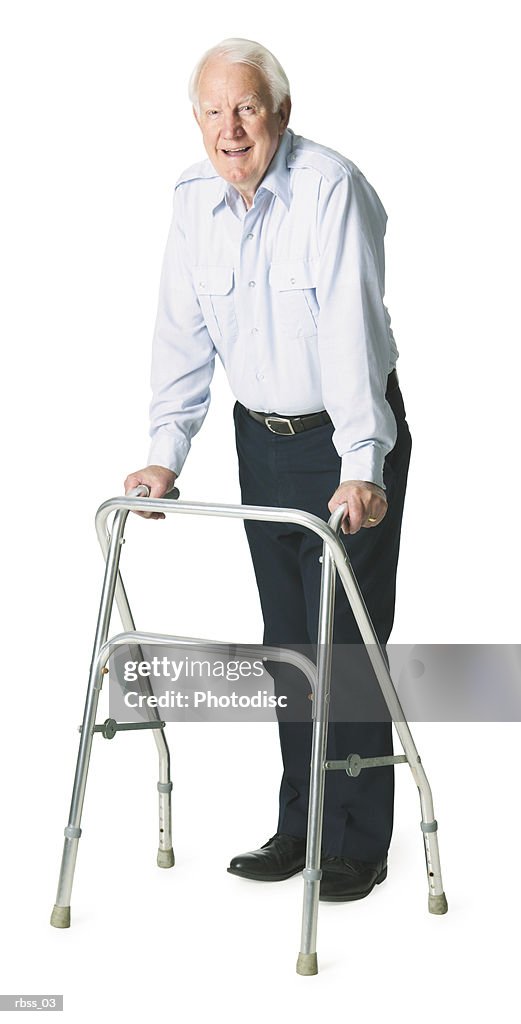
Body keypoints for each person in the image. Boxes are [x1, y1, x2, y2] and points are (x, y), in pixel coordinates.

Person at [125, 37, 412, 902]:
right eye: (213, 111)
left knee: (347, 645)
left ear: (280, 112)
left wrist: (362, 463)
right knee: (288, 644)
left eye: (246, 107)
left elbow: (351, 337)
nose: (230, 127)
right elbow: (182, 332)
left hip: (344, 435)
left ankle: (357, 842)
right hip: (263, 437)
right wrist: (162, 455)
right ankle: (301, 825)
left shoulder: (329, 190)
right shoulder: (192, 198)